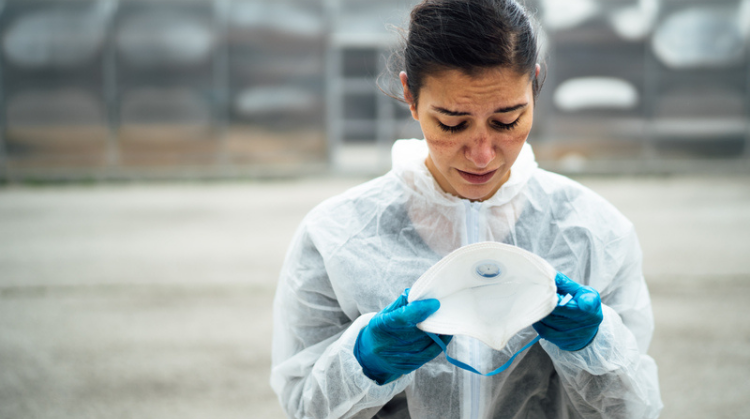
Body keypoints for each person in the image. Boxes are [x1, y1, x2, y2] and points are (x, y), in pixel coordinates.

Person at [270, 0, 663, 417]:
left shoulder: (593, 232)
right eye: (452, 124)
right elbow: (303, 409)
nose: (481, 155)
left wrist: (596, 347)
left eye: (507, 122)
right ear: (410, 96)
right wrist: (362, 363)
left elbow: (634, 410)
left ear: (536, 84)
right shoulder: (336, 236)